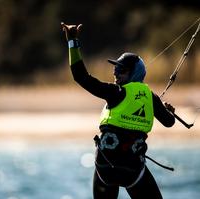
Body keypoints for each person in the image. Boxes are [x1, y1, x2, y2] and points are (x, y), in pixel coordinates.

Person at [61, 22, 176, 199]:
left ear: (134, 74)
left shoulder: (116, 93)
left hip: (105, 169)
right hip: (131, 171)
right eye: (115, 68)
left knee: (107, 172)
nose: (115, 73)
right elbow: (169, 122)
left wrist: (72, 41)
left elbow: (80, 76)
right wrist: (168, 111)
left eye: (121, 70)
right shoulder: (150, 98)